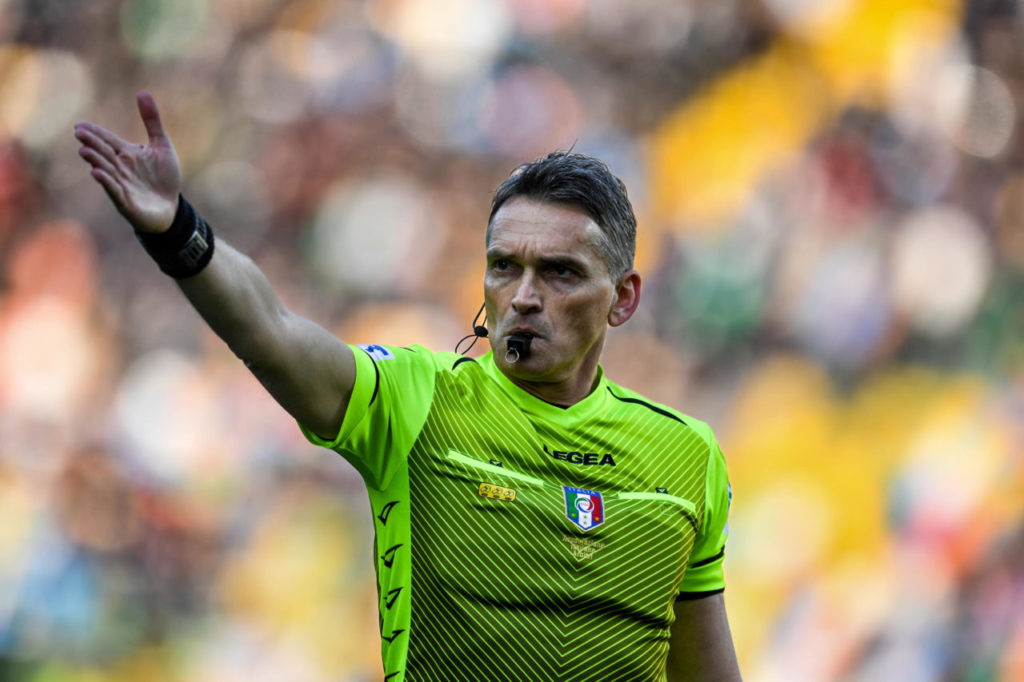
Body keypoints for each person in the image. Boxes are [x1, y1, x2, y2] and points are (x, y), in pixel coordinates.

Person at [74, 91, 741, 681]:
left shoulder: (687, 458)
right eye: (505, 268)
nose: (526, 297)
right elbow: (272, 333)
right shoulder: (417, 399)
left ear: (622, 299)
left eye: (561, 273)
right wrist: (178, 231)